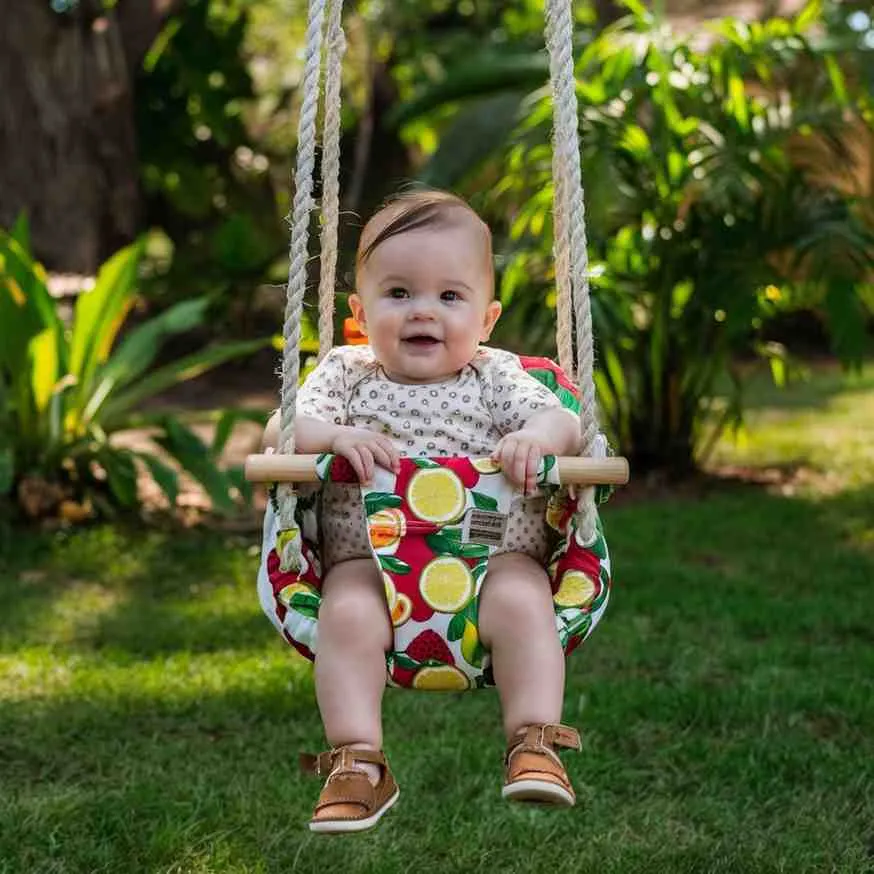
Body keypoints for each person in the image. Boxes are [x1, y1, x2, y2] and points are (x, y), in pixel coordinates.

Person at [263, 189, 585, 834]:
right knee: (345, 615)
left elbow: (565, 422)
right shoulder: (347, 372)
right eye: (400, 293)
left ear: (487, 318)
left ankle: (534, 741)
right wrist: (333, 439)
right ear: (359, 312)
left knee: (527, 605)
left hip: (494, 558)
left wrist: (536, 439)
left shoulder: (496, 376)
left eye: (449, 296)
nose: (423, 313)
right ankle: (357, 760)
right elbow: (283, 428)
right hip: (371, 565)